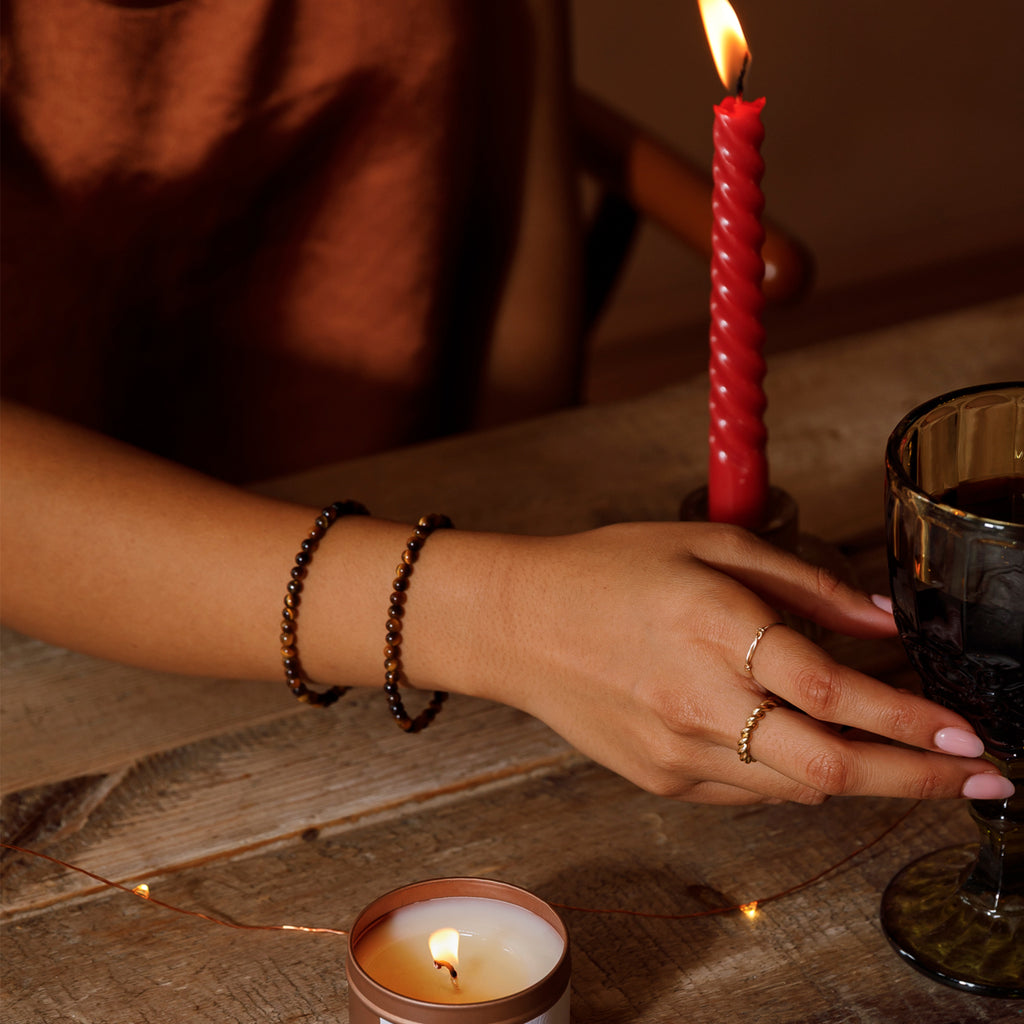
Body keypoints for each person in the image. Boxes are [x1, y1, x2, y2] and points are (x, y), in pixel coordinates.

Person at [0, 0, 1010, 808]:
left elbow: (511, 225)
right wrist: (503, 612)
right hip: (73, 645)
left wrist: (538, 558)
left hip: (453, 530)